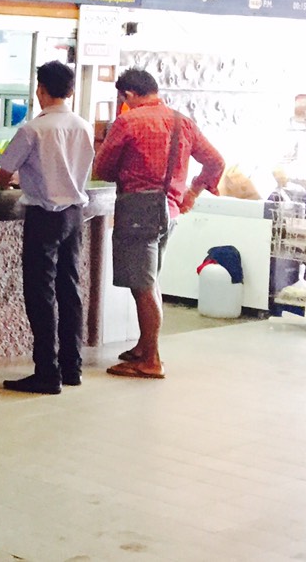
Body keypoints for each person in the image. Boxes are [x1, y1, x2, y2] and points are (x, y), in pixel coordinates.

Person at [92, 67, 224, 379]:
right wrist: (193, 191)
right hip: (171, 211)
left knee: (143, 286)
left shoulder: (128, 121)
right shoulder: (182, 121)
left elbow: (103, 169)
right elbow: (216, 160)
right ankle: (143, 345)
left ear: (128, 95)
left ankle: (150, 359)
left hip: (138, 209)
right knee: (151, 281)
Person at [0, 60, 94, 395]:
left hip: (44, 217)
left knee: (41, 294)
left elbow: (3, 174)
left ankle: (46, 372)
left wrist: (16, 180)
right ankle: (72, 367)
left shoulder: (32, 129)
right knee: (70, 290)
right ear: (70, 91)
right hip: (74, 216)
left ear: (40, 90)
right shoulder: (83, 126)